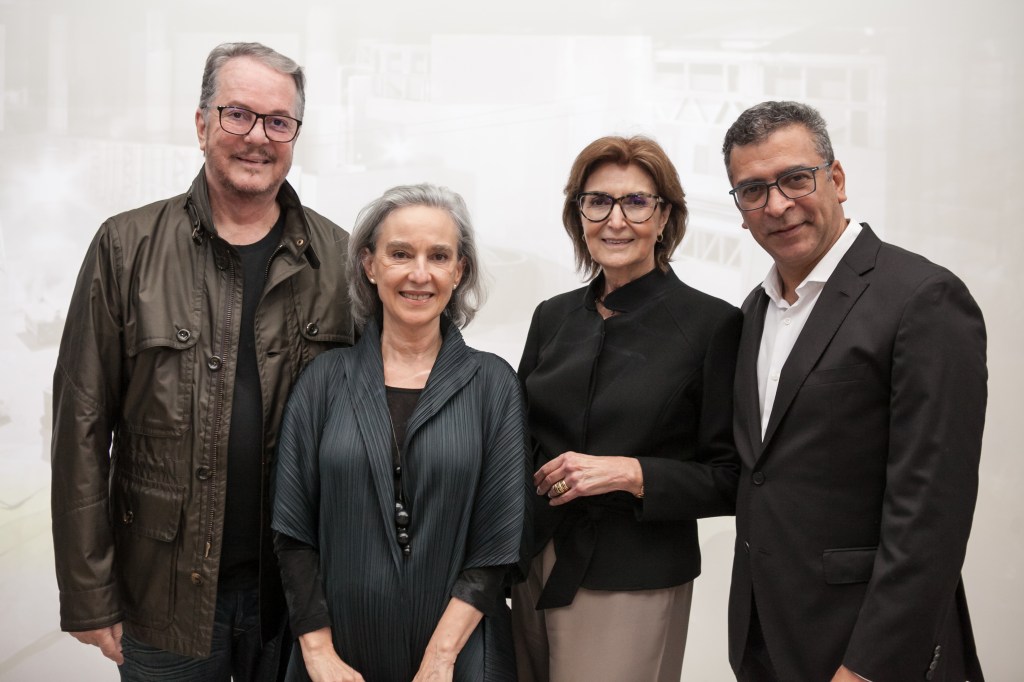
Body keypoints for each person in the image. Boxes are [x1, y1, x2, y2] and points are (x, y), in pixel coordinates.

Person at [50, 42, 354, 681]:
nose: (257, 137)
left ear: (295, 134)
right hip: (163, 594)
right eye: (237, 114)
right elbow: (80, 424)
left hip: (299, 597)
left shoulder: (341, 260)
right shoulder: (125, 247)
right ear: (200, 123)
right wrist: (86, 589)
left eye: (278, 122)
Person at [722, 101, 987, 682]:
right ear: (740, 210)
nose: (778, 205)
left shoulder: (923, 298)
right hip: (769, 638)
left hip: (871, 652)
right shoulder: (754, 312)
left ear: (836, 179)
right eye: (753, 190)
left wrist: (870, 667)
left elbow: (930, 517)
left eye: (795, 178)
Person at [271, 183, 527, 682]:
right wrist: (318, 654)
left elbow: (497, 544)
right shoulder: (323, 380)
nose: (419, 273)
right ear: (369, 265)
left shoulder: (493, 384)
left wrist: (441, 658)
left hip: (461, 656)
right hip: (336, 656)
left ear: (460, 271)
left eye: (438, 256)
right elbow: (293, 532)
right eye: (400, 253)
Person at [511, 135, 742, 682]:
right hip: (532, 564)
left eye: (636, 202)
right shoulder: (552, 316)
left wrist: (631, 473)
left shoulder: (714, 326)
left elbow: (733, 477)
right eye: (598, 201)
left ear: (665, 217)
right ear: (578, 215)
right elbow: (517, 441)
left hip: (632, 575)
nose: (616, 220)